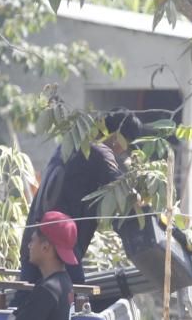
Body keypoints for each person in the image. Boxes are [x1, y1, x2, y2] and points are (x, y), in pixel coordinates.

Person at [17, 108, 141, 291]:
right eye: (126, 146)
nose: (123, 153)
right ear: (117, 137)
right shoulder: (101, 153)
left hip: (32, 243)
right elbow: (127, 197)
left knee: (27, 306)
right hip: (57, 251)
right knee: (73, 304)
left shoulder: (69, 144)